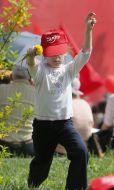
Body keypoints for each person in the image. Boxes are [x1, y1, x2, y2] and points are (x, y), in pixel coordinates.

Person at [26, 12, 96, 190]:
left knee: (81, 152)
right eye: (52, 54)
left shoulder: (68, 70)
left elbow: (85, 53)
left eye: (60, 53)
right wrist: (31, 56)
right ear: (44, 55)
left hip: (65, 124)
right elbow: (32, 66)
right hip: (43, 125)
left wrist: (88, 30)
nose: (57, 57)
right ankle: (33, 184)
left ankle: (74, 187)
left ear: (65, 52)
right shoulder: (41, 72)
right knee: (42, 161)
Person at [0, 65, 35, 157]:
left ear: (11, 76)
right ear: (29, 78)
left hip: (3, 144)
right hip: (28, 146)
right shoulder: (36, 92)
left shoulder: (1, 89)